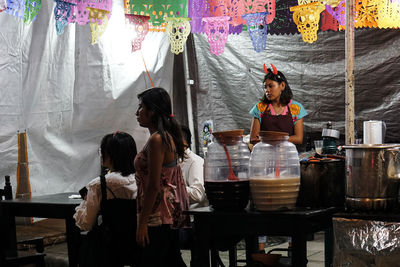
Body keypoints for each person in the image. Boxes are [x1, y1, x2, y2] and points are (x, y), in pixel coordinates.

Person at [134, 87, 190, 267]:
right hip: (165, 213)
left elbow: (153, 186)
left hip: (157, 214)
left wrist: (142, 222)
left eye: (141, 107)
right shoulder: (165, 137)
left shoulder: (158, 140)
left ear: (152, 111)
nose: (137, 112)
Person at [74, 131, 138, 266]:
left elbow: (86, 223)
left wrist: (82, 207)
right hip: (137, 244)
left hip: (109, 247)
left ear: (109, 155)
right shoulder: (140, 179)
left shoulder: (100, 184)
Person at [249, 63, 308, 145]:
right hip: (265, 155)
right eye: (265, 87)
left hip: (287, 155)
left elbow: (298, 139)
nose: (267, 90)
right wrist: (281, 139)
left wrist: (271, 139)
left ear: (282, 86)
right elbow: (253, 139)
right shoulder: (260, 108)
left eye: (271, 86)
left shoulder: (296, 108)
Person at [180, 125, 207, 209]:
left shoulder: (194, 161)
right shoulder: (174, 161)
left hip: (191, 218)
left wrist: (175, 186)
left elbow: (198, 194)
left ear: (183, 142)